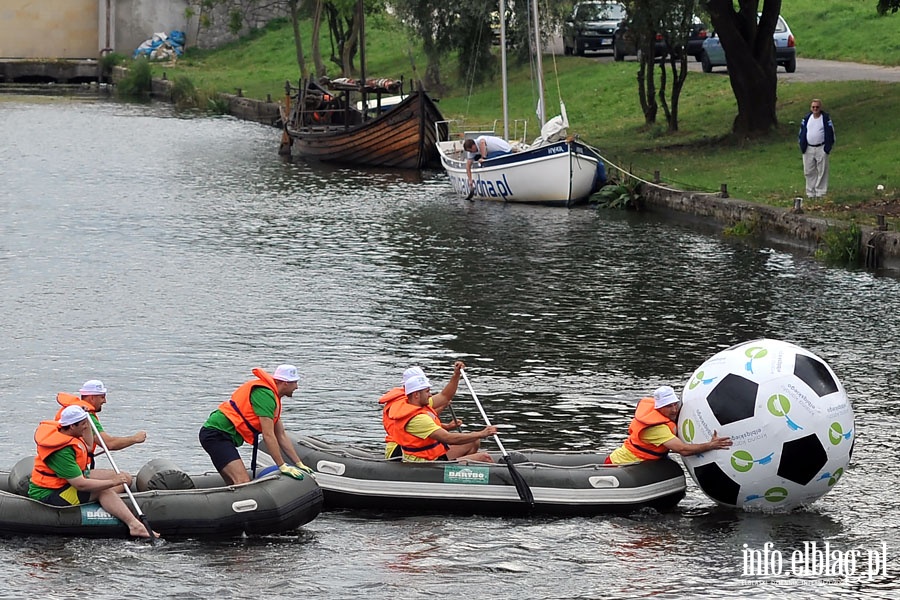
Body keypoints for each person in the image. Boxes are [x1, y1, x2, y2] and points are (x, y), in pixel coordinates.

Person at [29, 405, 158, 538]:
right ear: (72, 426)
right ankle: (134, 526)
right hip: (51, 494)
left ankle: (107, 503)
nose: (86, 427)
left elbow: (89, 446)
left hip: (63, 482)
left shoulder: (69, 434)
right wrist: (112, 482)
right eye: (83, 424)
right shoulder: (62, 452)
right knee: (104, 489)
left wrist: (86, 417)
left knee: (119, 479)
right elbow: (80, 484)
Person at [199, 365, 312, 485]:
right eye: (294, 383)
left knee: (234, 483)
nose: (297, 387)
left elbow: (281, 435)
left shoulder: (272, 398)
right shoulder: (265, 396)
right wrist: (282, 465)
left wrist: (299, 463)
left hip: (223, 435)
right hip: (216, 434)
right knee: (242, 481)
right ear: (285, 383)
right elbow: (268, 435)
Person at [382, 367, 497, 463]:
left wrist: (456, 375)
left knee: (473, 441)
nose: (430, 394)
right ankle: (456, 472)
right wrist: (482, 433)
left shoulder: (413, 403)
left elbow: (444, 397)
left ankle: (458, 471)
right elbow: (445, 436)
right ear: (416, 393)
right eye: (427, 391)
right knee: (484, 458)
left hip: (425, 454)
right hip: (417, 460)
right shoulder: (409, 412)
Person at [607, 385, 732, 464]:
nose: (674, 410)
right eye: (668, 406)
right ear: (658, 407)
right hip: (620, 464)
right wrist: (711, 445)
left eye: (675, 404)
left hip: (640, 461)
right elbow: (683, 449)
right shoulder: (656, 428)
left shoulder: (665, 416)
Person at [379, 363, 466, 460]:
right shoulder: (402, 404)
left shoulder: (413, 398)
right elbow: (418, 423)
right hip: (400, 451)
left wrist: (456, 375)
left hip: (415, 447)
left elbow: (443, 399)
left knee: (472, 443)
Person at [55, 379, 147, 456]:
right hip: (76, 467)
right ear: (92, 398)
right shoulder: (85, 416)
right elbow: (109, 443)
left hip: (71, 460)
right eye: (102, 397)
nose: (105, 401)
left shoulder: (70, 411)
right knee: (124, 477)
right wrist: (135, 439)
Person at [798, 98, 836, 200]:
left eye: (817, 107)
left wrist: (827, 147)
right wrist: (802, 145)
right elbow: (801, 132)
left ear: (820, 108)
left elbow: (831, 132)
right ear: (811, 108)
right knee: (809, 171)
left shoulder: (825, 118)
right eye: (813, 107)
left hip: (821, 147)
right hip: (808, 148)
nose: (815, 109)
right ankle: (810, 193)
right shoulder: (806, 119)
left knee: (822, 170)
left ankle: (820, 193)